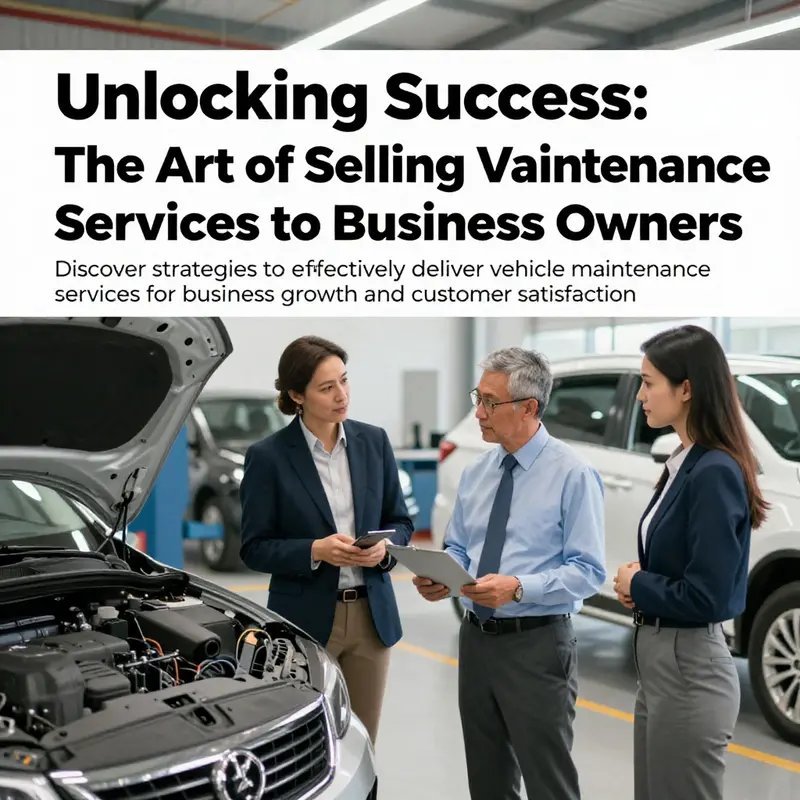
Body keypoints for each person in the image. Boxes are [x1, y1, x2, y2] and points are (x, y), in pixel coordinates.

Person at [414, 347, 606, 800]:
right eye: (477, 398)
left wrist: (519, 588)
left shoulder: (573, 475)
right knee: (487, 782)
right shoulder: (477, 472)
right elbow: (459, 545)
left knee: (548, 783)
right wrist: (445, 577)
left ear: (529, 408)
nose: (478, 413)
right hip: (476, 641)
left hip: (536, 645)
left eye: (490, 402)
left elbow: (588, 571)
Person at [613, 324, 767, 800]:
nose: (641, 395)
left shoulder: (714, 471)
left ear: (686, 389)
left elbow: (708, 595)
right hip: (660, 663)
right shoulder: (686, 460)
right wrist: (641, 585)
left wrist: (638, 584)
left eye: (649, 382)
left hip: (689, 668)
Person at [238, 334, 414, 745]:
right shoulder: (268, 457)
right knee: (308, 743)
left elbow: (401, 521)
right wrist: (314, 550)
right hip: (305, 620)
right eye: (327, 387)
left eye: (344, 381)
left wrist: (384, 550)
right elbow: (254, 547)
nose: (342, 395)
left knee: (363, 741)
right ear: (297, 395)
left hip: (372, 619)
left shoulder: (374, 442)